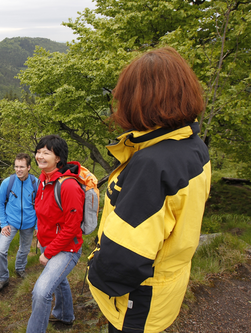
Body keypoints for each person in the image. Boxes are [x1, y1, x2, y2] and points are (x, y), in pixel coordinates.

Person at [87, 47, 211, 333]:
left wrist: (96, 267)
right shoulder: (193, 147)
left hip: (137, 303)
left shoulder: (152, 165)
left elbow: (122, 258)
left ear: (138, 101)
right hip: (166, 287)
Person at [26, 135, 84, 333]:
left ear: (58, 158)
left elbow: (72, 227)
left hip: (67, 249)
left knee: (41, 292)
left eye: (46, 153)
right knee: (59, 281)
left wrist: (48, 252)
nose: (40, 156)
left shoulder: (68, 186)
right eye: (38, 152)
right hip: (48, 243)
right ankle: (65, 316)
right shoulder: (43, 179)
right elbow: (45, 214)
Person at [0, 153, 38, 292]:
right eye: (16, 166)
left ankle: (20, 268)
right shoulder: (8, 183)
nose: (18, 169)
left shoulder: (35, 183)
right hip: (10, 222)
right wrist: (3, 223)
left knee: (24, 249)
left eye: (22, 167)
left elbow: (40, 206)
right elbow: (0, 204)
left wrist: (38, 226)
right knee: (0, 250)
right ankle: (3, 278)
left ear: (29, 167)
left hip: (29, 223)